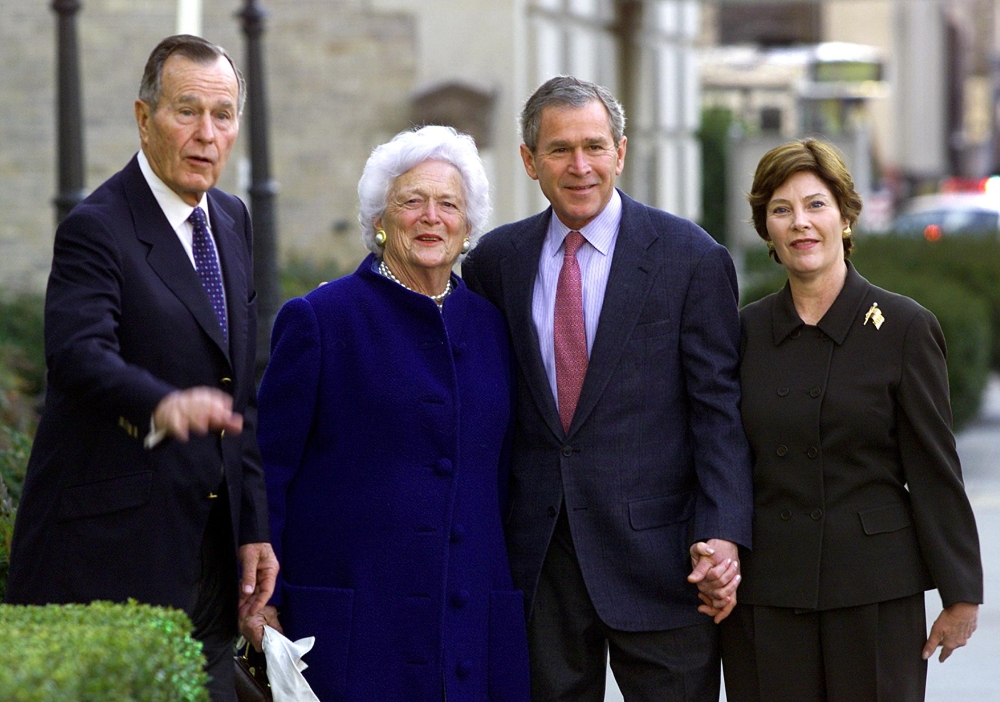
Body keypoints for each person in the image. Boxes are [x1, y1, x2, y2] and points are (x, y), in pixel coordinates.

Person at [4, 35, 278, 702]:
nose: (207, 134)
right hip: (114, 556)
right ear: (143, 116)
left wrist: (255, 531)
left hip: (212, 556)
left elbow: (238, 389)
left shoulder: (233, 221)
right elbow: (77, 355)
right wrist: (160, 404)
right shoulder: (96, 226)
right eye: (187, 111)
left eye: (223, 115)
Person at [461, 75, 753, 701]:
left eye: (595, 147)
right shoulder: (493, 263)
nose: (580, 166)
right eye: (560, 149)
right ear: (529, 160)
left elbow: (718, 411)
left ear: (620, 153)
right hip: (539, 566)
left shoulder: (691, 257)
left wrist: (723, 531)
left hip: (665, 564)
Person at [244, 125, 531, 701]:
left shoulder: (494, 327)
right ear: (381, 218)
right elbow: (267, 466)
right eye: (411, 201)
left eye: (449, 204)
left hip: (471, 618)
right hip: (357, 620)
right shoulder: (322, 319)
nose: (431, 217)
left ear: (468, 226)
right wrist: (260, 596)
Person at [721, 138, 984, 701]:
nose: (800, 224)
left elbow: (935, 469)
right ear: (765, 228)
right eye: (781, 210)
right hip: (769, 590)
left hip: (875, 591)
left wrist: (962, 592)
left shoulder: (904, 328)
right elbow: (722, 459)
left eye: (816, 205)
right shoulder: (741, 334)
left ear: (845, 215)